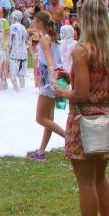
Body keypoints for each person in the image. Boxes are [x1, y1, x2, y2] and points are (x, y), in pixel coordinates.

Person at [53, 0, 109, 216]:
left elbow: (81, 94)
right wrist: (72, 80)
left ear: (84, 18)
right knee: (101, 177)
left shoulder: (82, 50)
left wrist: (62, 92)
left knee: (86, 182)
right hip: (107, 115)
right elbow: (100, 83)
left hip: (84, 119)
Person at [27, 11, 65, 161]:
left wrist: (51, 77)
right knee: (48, 118)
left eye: (35, 21)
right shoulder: (51, 38)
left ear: (41, 23)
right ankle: (41, 151)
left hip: (48, 79)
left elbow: (50, 60)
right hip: (53, 77)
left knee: (40, 118)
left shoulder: (44, 40)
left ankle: (70, 139)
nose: (33, 23)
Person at [8, 10, 29, 91]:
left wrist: (8, 52)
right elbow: (27, 40)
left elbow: (11, 41)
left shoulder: (12, 27)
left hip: (15, 52)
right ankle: (22, 89)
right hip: (23, 52)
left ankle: (16, 90)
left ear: (13, 17)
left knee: (13, 73)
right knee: (22, 73)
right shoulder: (23, 27)